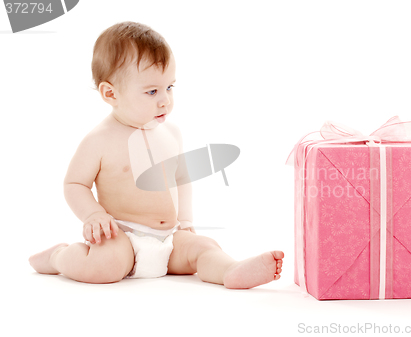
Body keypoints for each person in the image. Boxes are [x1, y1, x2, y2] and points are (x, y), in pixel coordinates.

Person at [29, 21, 284, 288]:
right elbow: (75, 183)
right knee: (105, 267)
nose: (165, 100)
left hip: (170, 237)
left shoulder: (171, 133)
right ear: (110, 93)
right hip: (122, 235)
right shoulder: (99, 140)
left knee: (203, 247)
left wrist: (185, 221)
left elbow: (182, 180)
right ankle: (59, 257)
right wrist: (93, 215)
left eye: (170, 87)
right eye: (152, 91)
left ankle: (230, 270)